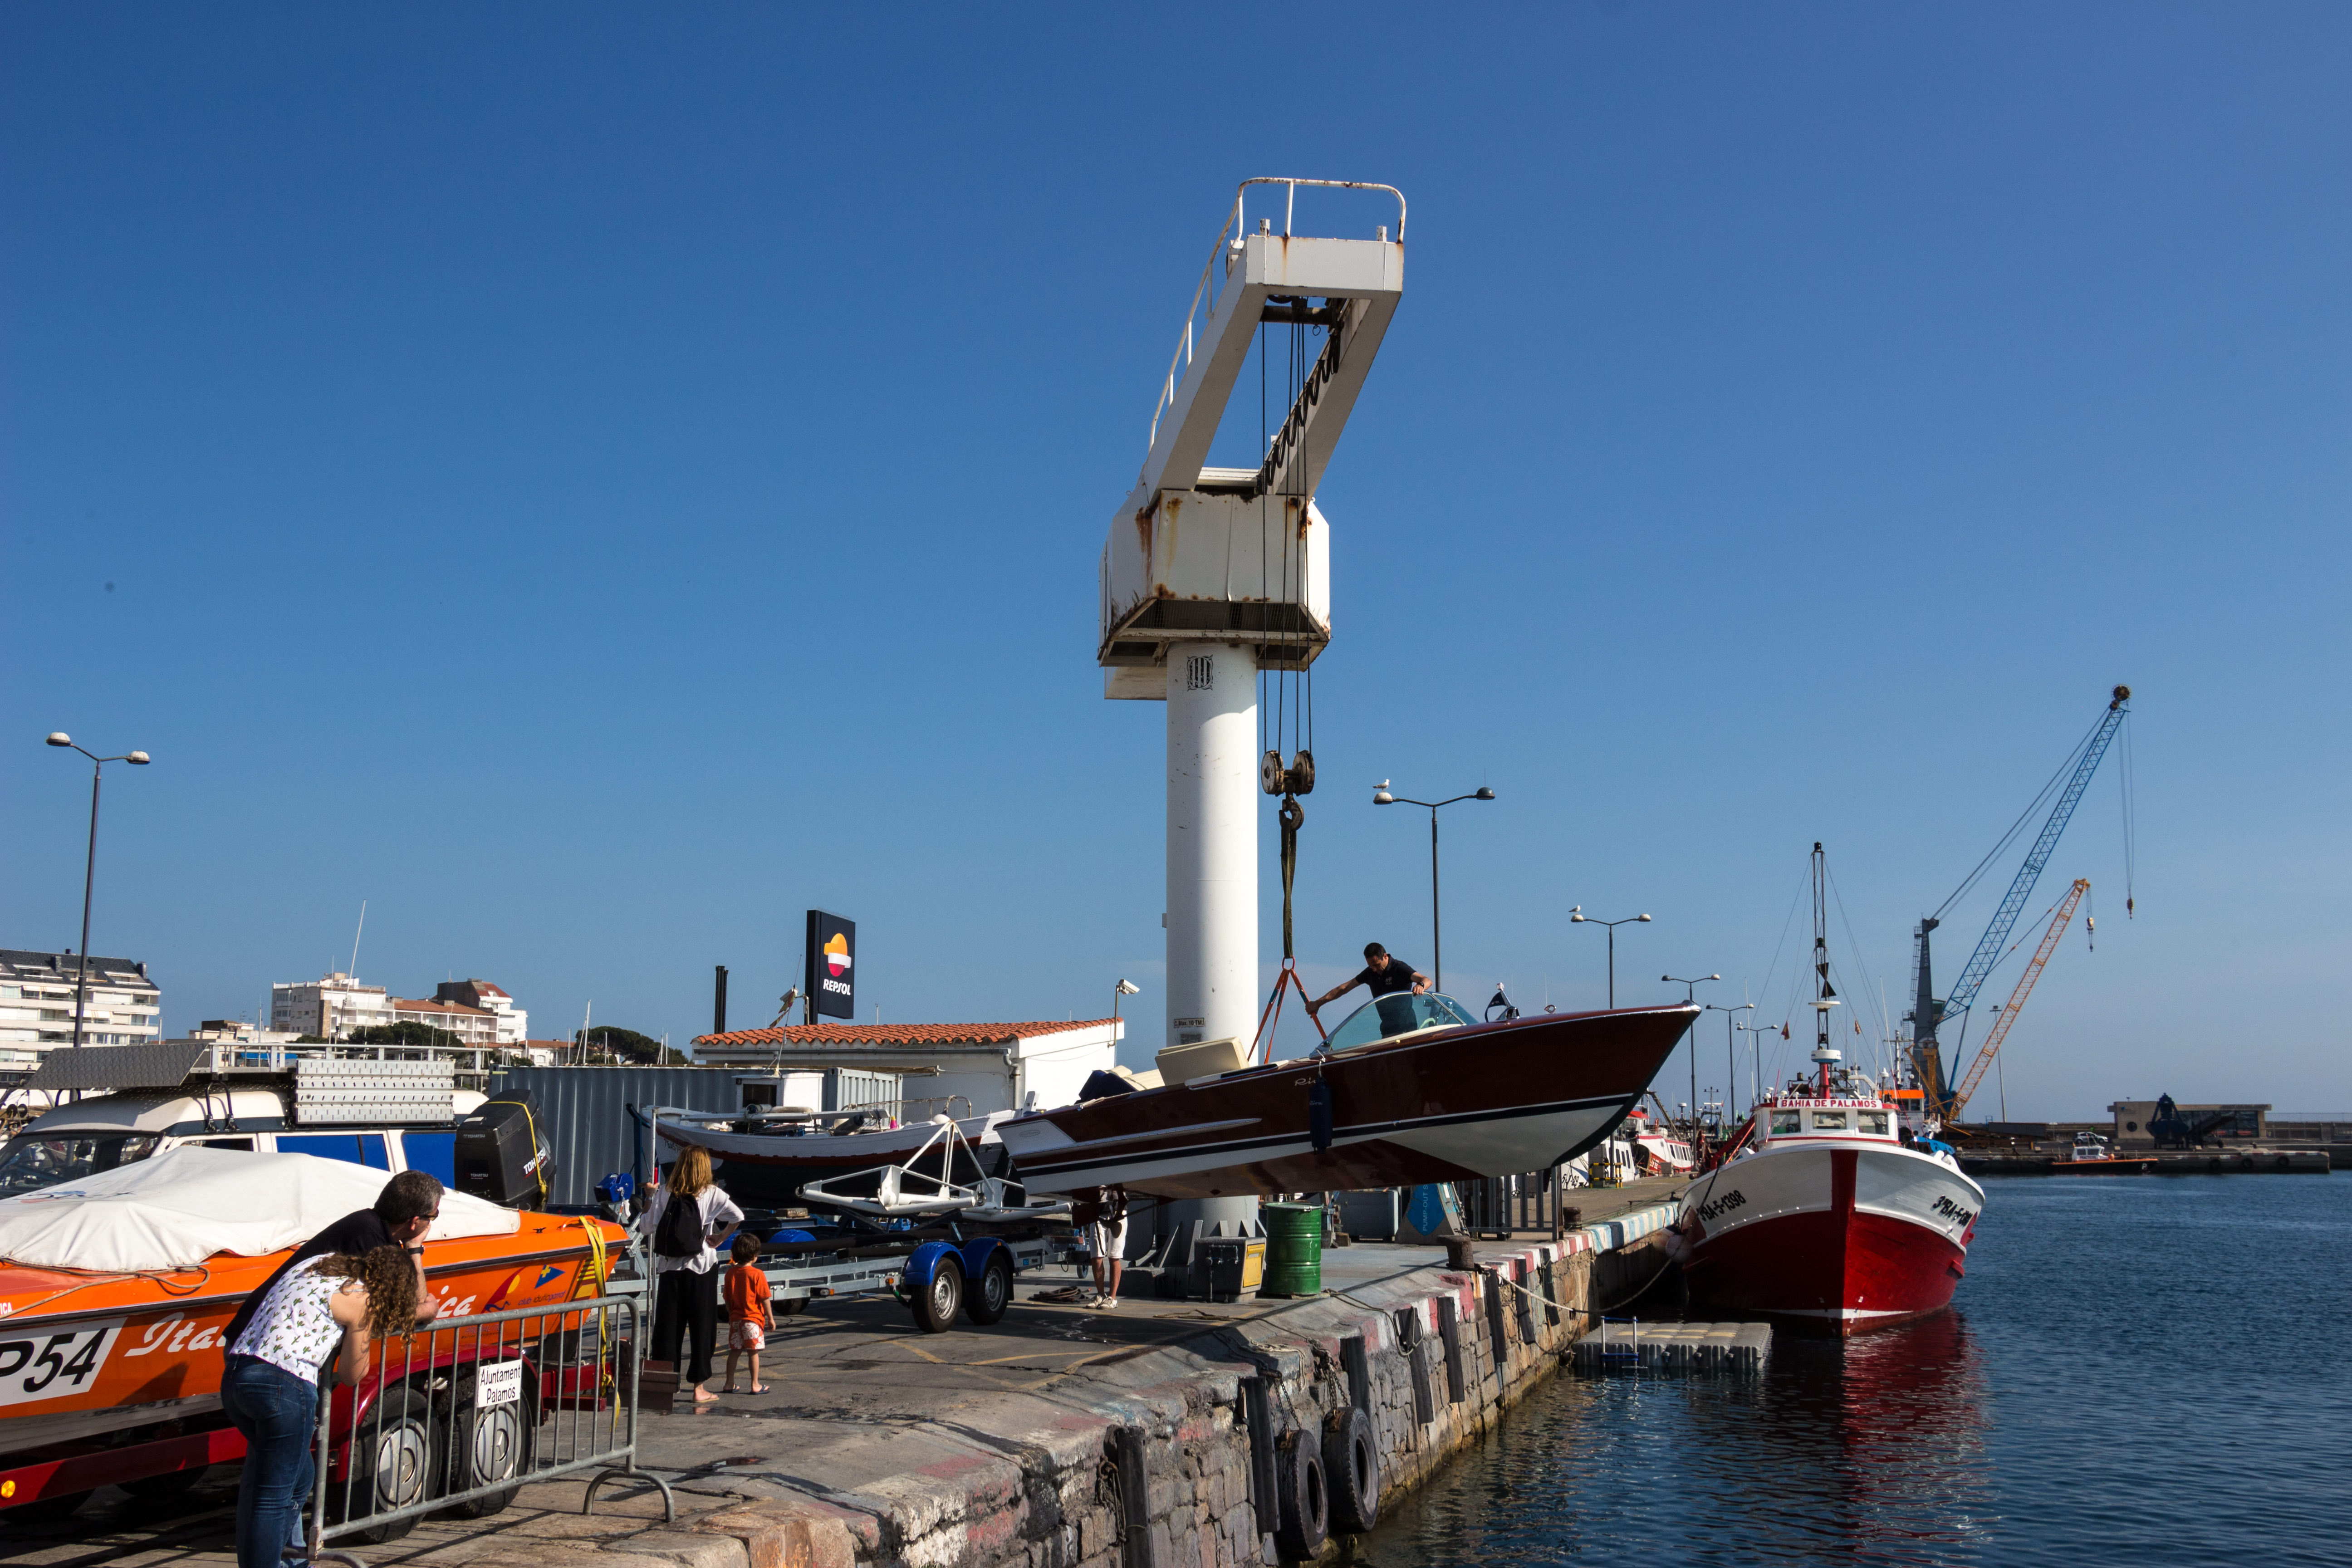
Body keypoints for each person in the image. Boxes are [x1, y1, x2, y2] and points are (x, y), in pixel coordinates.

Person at [221, 1242, 420, 1568]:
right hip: (284, 1385)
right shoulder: (362, 1299)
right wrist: (367, 1329)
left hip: (237, 1375)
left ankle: (278, 1560)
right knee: (273, 1497)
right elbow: (353, 1374)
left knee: (300, 1477)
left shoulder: (318, 1264)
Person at [221, 1170, 446, 1354]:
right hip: (262, 1350)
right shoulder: (367, 1237)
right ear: (415, 1222)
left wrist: (414, 1247)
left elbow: (410, 1302)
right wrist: (426, 1312)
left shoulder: (374, 1229)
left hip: (264, 1347)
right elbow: (380, 1315)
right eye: (432, 1216)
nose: (431, 1223)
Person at [635, 1145, 743, 1404]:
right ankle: (698, 1389)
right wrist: (721, 1237)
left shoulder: (664, 1192)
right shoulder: (712, 1193)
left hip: (670, 1268)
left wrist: (649, 1197)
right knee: (702, 1327)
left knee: (668, 1328)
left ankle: (665, 1388)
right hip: (702, 1267)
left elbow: (646, 1227)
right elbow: (738, 1216)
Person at [1306, 943, 1431, 1036]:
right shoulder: (1371, 973)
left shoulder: (1399, 968)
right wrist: (1318, 1003)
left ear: (1385, 957)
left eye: (1376, 965)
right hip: (1387, 1030)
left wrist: (1421, 985)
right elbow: (1344, 988)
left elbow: (1426, 980)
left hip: (1407, 1029)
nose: (1374, 969)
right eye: (1371, 966)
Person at [720, 1233, 772, 1395]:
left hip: (736, 1319)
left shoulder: (730, 1274)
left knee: (734, 1352)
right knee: (753, 1352)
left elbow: (727, 1299)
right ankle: (755, 1385)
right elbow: (764, 1298)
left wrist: (731, 1314)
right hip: (753, 1320)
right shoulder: (757, 1274)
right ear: (754, 1255)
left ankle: (729, 1383)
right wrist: (771, 1318)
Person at [1088, 1206, 1127, 1309]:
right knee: (1096, 1256)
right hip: (1098, 1214)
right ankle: (1101, 1294)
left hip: (1118, 1213)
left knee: (1114, 1257)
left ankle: (1112, 1298)